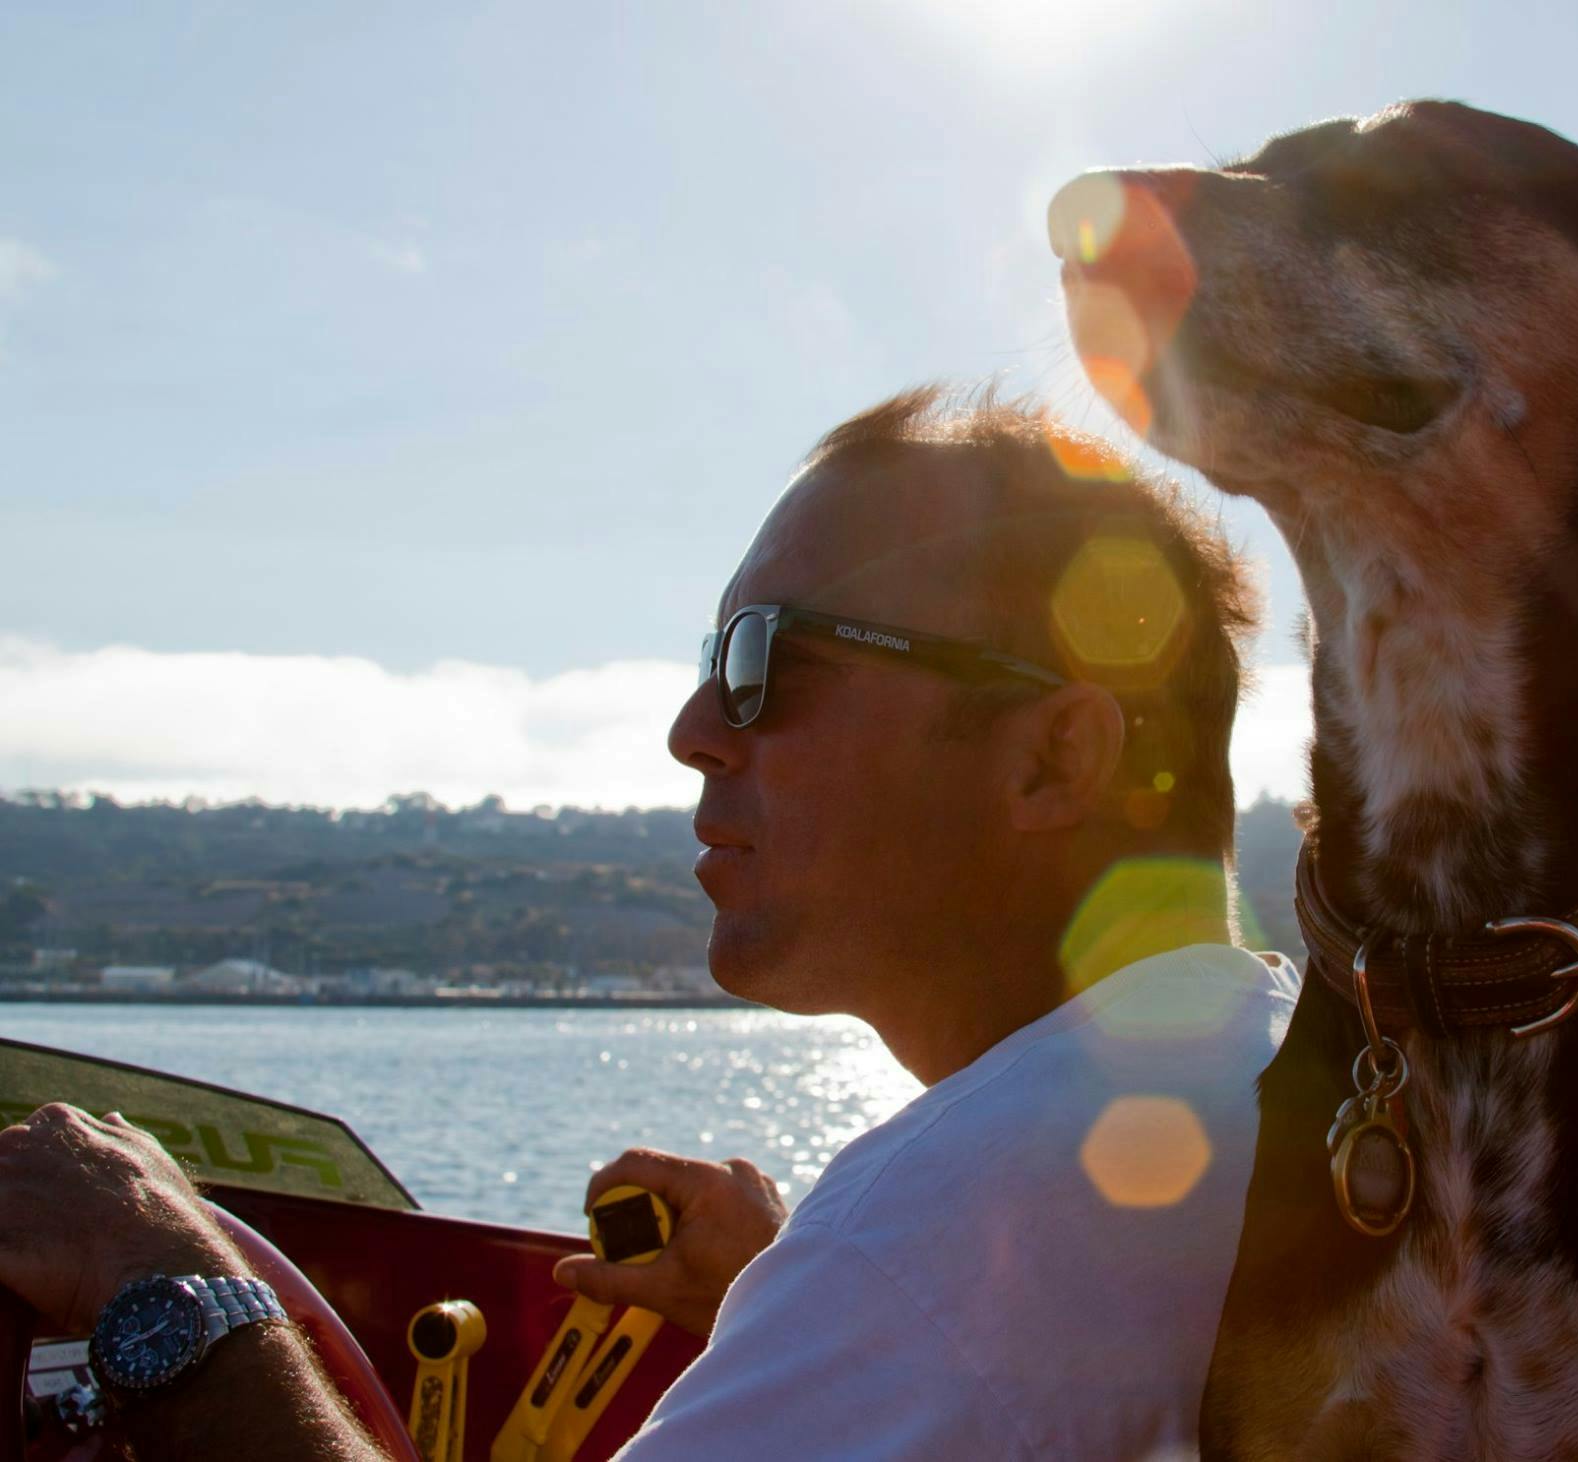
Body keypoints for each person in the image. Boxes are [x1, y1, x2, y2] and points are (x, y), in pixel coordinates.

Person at [0, 386, 1298, 1459]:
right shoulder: (1262, 1089)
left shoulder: (956, 1230)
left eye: (766, 659)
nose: (692, 730)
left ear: (1054, 758)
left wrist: (156, 1271)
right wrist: (786, 1299)